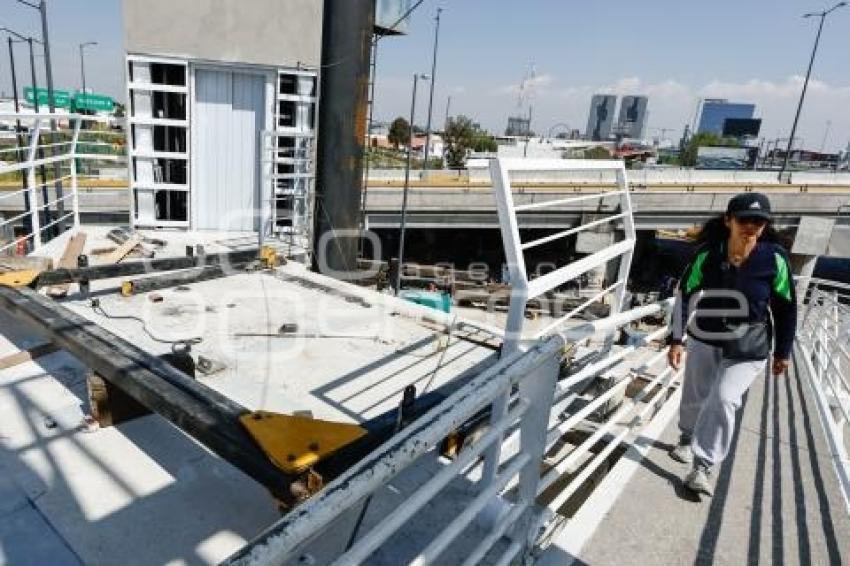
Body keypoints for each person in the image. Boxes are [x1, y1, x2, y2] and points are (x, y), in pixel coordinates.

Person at [666, 192, 797, 496]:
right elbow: (684, 294)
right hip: (705, 335)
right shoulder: (708, 254)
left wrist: (783, 352)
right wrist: (676, 339)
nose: (751, 226)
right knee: (696, 393)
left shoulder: (773, 258)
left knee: (724, 398)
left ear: (765, 225)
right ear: (728, 220)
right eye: (744, 219)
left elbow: (786, 307)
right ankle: (686, 438)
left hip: (749, 344)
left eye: (759, 221)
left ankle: (703, 465)